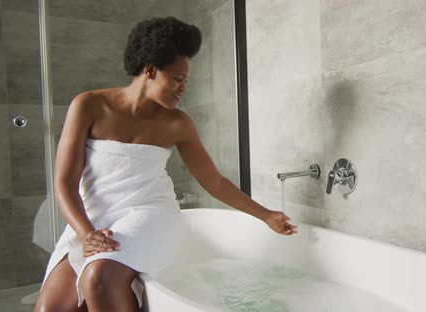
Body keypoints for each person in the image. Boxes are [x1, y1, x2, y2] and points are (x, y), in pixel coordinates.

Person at [35, 16, 297, 312]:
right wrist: (86, 234)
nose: (183, 87)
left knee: (99, 279)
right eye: (177, 78)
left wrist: (265, 215)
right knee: (49, 310)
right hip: (94, 216)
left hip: (149, 213)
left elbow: (215, 182)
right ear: (149, 70)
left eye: (186, 80)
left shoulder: (177, 124)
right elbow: (64, 183)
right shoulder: (90, 105)